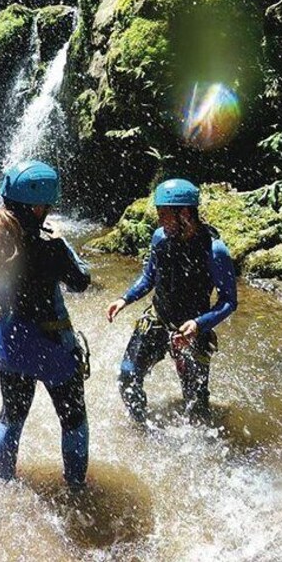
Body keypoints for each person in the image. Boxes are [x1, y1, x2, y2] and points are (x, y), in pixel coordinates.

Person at [0, 160, 91, 488]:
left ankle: (4, 482)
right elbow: (82, 280)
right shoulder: (51, 248)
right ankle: (75, 489)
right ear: (39, 207)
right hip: (53, 347)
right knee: (73, 422)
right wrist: (62, 240)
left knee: (11, 417)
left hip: (12, 346)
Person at [106, 179, 237, 424]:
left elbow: (229, 301)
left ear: (185, 213)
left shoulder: (215, 251)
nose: (160, 221)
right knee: (127, 377)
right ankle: (142, 430)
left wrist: (199, 324)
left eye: (165, 214)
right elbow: (149, 277)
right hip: (158, 318)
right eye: (159, 214)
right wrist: (125, 299)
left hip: (192, 329)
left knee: (195, 402)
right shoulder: (159, 238)